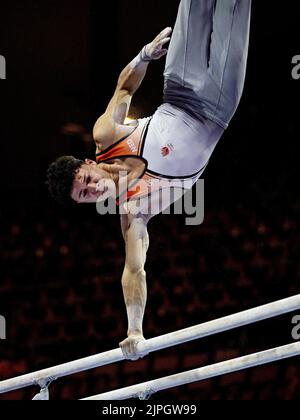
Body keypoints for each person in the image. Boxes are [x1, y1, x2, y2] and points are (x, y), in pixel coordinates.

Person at [47, 0, 252, 360]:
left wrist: (144, 56)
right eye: (84, 196)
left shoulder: (106, 135)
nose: (93, 189)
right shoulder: (133, 212)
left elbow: (123, 91)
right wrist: (135, 329)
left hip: (179, 85)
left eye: (85, 180)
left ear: (87, 163)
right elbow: (134, 269)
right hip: (219, 105)